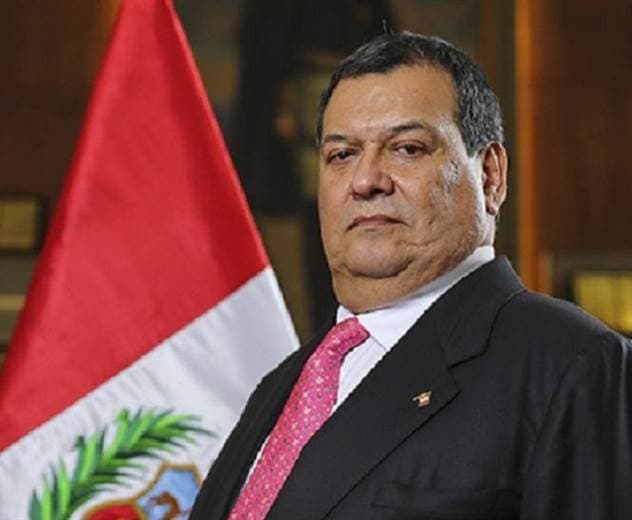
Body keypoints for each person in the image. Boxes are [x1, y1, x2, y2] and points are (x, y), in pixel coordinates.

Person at [190, 31, 632, 519]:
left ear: (490, 175)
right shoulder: (286, 382)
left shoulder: (568, 362)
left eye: (407, 148)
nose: (365, 180)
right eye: (342, 154)